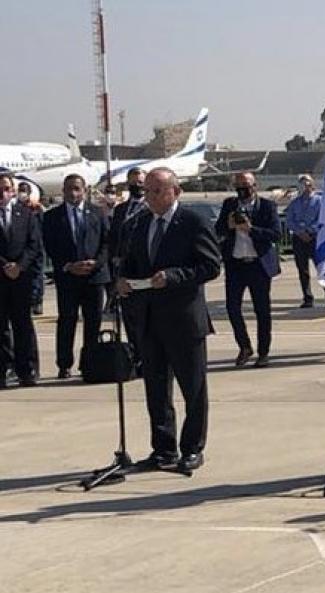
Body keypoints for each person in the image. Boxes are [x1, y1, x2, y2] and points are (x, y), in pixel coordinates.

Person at [117, 167, 220, 472]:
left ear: (175, 192)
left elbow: (210, 266)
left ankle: (192, 448)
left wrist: (174, 276)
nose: (149, 196)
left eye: (156, 191)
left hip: (184, 318)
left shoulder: (192, 222)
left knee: (193, 388)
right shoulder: (140, 223)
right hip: (150, 318)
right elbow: (132, 262)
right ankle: (163, 449)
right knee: (157, 389)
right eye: (146, 191)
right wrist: (123, 281)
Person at [42, 174, 110, 379]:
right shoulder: (52, 216)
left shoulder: (98, 213)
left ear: (85, 190)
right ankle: (64, 364)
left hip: (94, 277)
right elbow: (50, 246)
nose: (73, 193)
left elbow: (107, 242)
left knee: (93, 321)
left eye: (77, 189)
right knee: (67, 321)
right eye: (69, 189)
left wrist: (96, 263)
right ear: (63, 191)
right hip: (68, 278)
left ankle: (89, 363)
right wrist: (69, 265)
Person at [215, 172, 281, 368]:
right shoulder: (229, 205)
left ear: (254, 186)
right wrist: (228, 226)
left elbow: (275, 234)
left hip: (258, 265)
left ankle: (263, 352)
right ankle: (244, 346)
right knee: (232, 308)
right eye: (238, 186)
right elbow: (218, 231)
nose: (242, 190)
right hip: (236, 264)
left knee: (262, 310)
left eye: (246, 185)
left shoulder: (267, 206)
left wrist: (250, 229)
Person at [0, 174, 42, 387]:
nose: (2, 193)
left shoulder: (26, 214)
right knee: (1, 327)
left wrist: (19, 266)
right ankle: (3, 369)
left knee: (23, 324)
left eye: (6, 189)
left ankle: (27, 370)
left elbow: (34, 245)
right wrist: (5, 266)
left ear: (13, 191)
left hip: (21, 279)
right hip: (1, 277)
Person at [109, 168, 147, 345]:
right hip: (125, 271)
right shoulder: (121, 210)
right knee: (129, 318)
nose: (136, 186)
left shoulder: (151, 207)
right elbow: (114, 237)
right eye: (133, 183)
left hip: (146, 269)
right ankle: (135, 352)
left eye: (140, 182)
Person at [285, 174, 325, 308]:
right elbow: (289, 220)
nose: (305, 187)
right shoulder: (295, 203)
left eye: (307, 184)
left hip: (315, 238)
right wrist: (299, 232)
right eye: (302, 184)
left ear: (312, 185)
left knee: (322, 268)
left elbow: (322, 218)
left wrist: (310, 231)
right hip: (299, 239)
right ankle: (307, 298)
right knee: (303, 270)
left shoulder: (320, 200)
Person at [16, 182, 46, 315]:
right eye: (20, 190)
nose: (22, 193)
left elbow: (44, 225)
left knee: (37, 274)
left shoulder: (36, 208)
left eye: (24, 191)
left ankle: (37, 300)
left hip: (37, 245)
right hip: (23, 246)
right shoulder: (16, 207)